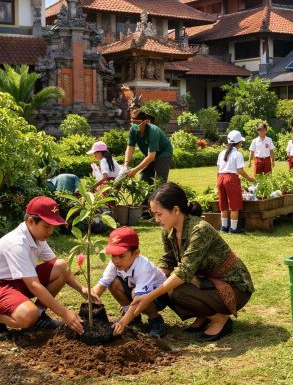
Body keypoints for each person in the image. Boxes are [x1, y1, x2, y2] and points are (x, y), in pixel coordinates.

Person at [129, 182, 254, 343]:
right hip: (207, 283)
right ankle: (204, 315)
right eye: (154, 214)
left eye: (159, 214)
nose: (156, 219)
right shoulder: (169, 231)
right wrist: (148, 284)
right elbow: (168, 260)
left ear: (175, 210)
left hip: (234, 287)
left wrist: (150, 296)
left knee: (177, 291)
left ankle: (219, 319)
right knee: (166, 287)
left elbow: (184, 272)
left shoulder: (200, 230)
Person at [0, 196, 95, 341]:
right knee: (28, 316)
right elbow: (33, 285)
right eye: (47, 226)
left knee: (62, 266)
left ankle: (39, 317)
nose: (51, 231)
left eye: (53, 227)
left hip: (18, 281)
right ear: (31, 222)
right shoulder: (17, 244)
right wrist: (64, 313)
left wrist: (81, 288)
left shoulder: (38, 237)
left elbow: (57, 267)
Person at [92, 227, 169, 338]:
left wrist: (123, 323)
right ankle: (133, 317)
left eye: (122, 255)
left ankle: (155, 319)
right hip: (135, 292)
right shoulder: (115, 264)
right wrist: (89, 304)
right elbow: (101, 286)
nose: (116, 260)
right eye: (113, 255)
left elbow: (139, 299)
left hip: (157, 297)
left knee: (135, 294)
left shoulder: (144, 267)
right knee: (113, 283)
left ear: (136, 253)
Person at [217, 130, 255, 234]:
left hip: (220, 178)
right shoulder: (237, 154)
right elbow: (240, 171)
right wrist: (250, 179)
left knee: (223, 204)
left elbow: (218, 169)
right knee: (234, 204)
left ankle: (223, 227)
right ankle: (233, 229)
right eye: (241, 142)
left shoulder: (221, 153)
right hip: (231, 179)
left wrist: (218, 182)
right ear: (238, 143)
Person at [124, 109, 173, 184]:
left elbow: (151, 157)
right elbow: (130, 147)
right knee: (143, 181)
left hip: (163, 154)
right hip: (151, 155)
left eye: (137, 122)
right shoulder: (133, 130)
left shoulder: (153, 132)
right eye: (132, 122)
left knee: (159, 182)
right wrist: (126, 164)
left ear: (145, 121)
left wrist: (135, 170)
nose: (134, 125)